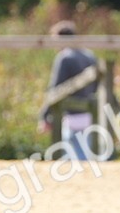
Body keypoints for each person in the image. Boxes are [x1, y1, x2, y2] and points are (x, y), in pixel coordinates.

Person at [37, 21, 98, 160]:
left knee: (73, 158)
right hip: (90, 116)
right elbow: (97, 86)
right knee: (86, 154)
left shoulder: (65, 57)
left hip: (72, 116)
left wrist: (44, 115)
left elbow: (55, 90)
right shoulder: (90, 55)